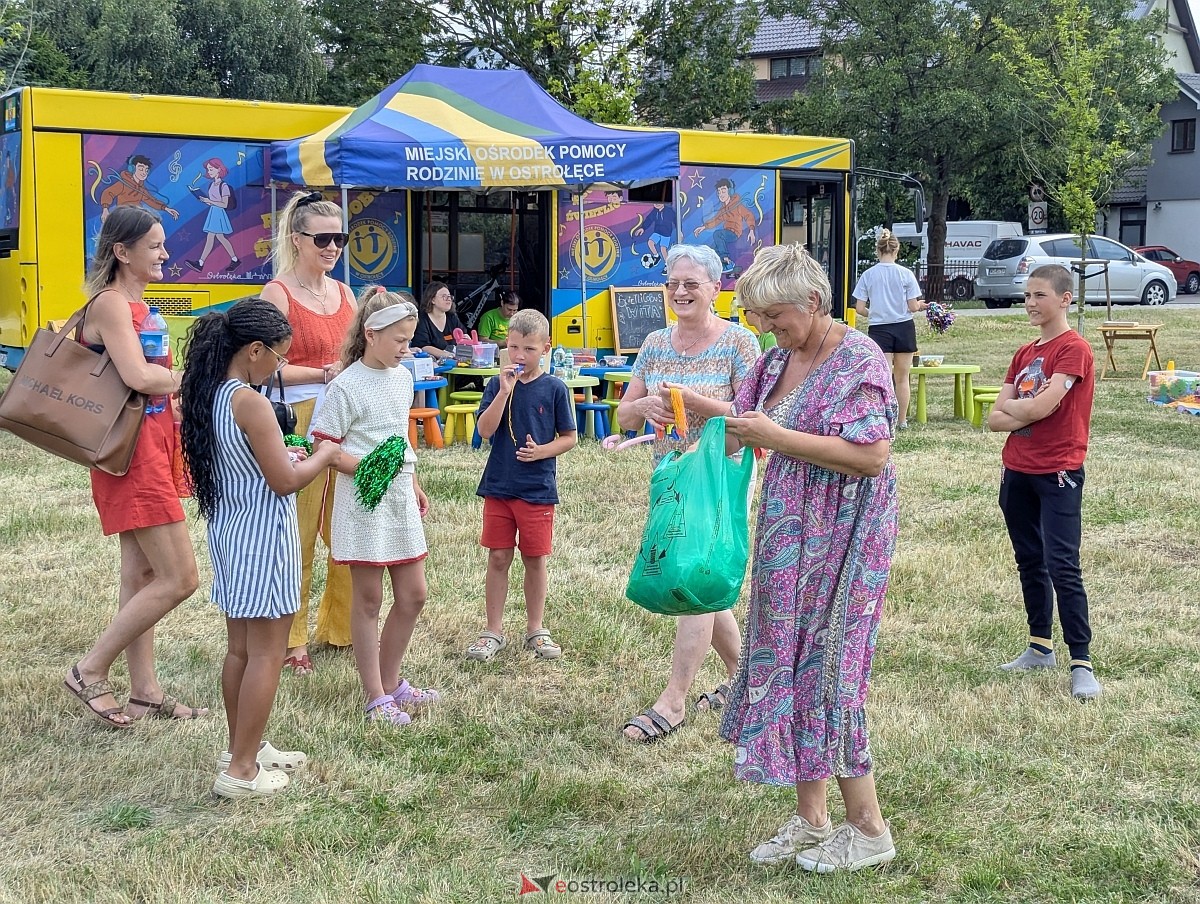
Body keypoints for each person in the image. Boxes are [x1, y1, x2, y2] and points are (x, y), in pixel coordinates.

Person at [721, 243, 899, 873]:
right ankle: (813, 819)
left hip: (848, 533)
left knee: (831, 667)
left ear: (814, 302)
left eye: (775, 315)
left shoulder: (859, 359)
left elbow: (872, 454)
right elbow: (747, 419)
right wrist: (683, 405)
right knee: (789, 656)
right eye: (758, 317)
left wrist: (774, 437)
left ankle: (870, 829)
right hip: (789, 529)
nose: (767, 328)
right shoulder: (777, 362)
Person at [180, 299, 339, 798]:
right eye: (278, 358)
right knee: (268, 654)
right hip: (264, 538)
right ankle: (242, 770)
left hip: (231, 532)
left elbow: (249, 461)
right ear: (253, 351)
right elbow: (286, 481)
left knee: (240, 651)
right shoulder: (250, 401)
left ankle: (241, 745)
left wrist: (283, 454)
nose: (280, 368)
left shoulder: (210, 393)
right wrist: (324, 455)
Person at [63, 206, 205, 728]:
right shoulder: (111, 305)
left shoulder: (133, 303)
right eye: (155, 246)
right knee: (180, 577)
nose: (165, 253)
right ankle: (90, 669)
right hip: (130, 454)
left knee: (142, 574)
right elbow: (139, 376)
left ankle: (144, 692)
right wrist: (191, 380)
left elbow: (150, 376)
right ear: (122, 252)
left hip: (152, 446)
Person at [617, 244, 759, 743]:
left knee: (694, 574)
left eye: (691, 283)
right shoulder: (655, 343)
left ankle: (673, 701)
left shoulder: (740, 343)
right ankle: (748, 678)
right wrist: (647, 407)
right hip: (672, 477)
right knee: (699, 577)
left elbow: (752, 415)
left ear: (715, 289)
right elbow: (623, 414)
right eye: (673, 283)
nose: (680, 291)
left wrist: (697, 403)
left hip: (720, 476)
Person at [310, 289, 440, 726]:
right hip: (362, 503)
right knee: (368, 601)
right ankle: (375, 695)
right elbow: (323, 447)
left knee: (414, 594)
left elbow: (399, 437)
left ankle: (392, 680)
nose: (408, 348)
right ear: (371, 335)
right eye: (400, 340)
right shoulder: (345, 386)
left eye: (409, 339)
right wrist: (365, 470)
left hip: (399, 497)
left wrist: (413, 481)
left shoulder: (403, 379)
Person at [988, 264, 1100, 700]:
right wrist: (1022, 412)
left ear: (1065, 299)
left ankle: (1081, 661)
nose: (1031, 303)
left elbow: (1043, 407)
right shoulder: (1024, 353)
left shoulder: (1074, 349)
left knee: (1062, 564)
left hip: (1058, 471)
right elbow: (996, 417)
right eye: (1027, 296)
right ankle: (1039, 645)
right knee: (1029, 560)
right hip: (1017, 469)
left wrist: (1021, 410)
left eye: (1039, 295)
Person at [261, 190, 357, 676]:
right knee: (295, 535)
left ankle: (341, 629)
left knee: (346, 529)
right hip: (296, 422)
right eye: (323, 238)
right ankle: (291, 639)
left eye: (340, 237)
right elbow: (260, 366)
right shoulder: (277, 294)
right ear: (297, 240)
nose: (333, 246)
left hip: (343, 423)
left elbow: (357, 356)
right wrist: (322, 373)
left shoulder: (344, 293)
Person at [465, 309, 577, 663]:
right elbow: (484, 431)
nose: (519, 356)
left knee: (534, 558)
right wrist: (503, 391)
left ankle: (535, 628)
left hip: (536, 488)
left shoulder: (555, 388)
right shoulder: (498, 384)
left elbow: (569, 438)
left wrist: (543, 451)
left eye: (528, 349)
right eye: (513, 347)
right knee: (498, 556)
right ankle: (492, 630)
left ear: (546, 347)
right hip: (499, 484)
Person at [852, 228, 925, 430]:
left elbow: (859, 308)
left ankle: (885, 419)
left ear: (877, 250)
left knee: (883, 377)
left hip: (879, 329)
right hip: (904, 327)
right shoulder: (906, 274)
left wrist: (874, 312)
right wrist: (921, 306)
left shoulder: (868, 275)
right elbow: (912, 306)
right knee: (902, 378)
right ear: (896, 250)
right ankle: (902, 420)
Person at [185, 157, 239, 274]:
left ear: (219, 169)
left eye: (211, 169)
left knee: (212, 238)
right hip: (214, 212)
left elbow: (224, 204)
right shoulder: (211, 185)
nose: (208, 171)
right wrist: (205, 200)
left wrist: (210, 202)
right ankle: (234, 259)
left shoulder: (223, 186)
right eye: (208, 169)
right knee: (220, 238)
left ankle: (200, 263)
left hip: (218, 213)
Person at [412, 282, 464, 362]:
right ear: (432, 300)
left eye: (449, 296)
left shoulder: (452, 317)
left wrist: (466, 341)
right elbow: (423, 346)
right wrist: (448, 355)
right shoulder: (422, 319)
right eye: (444, 296)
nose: (449, 299)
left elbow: (463, 335)